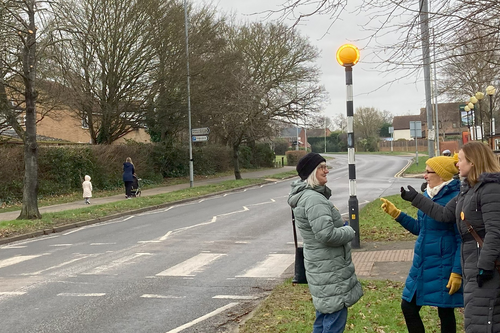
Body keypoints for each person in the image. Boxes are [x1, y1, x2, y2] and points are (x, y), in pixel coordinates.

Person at [400, 141, 500, 333]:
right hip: (471, 266)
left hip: (484, 268)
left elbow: (495, 232)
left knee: (485, 322)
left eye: (460, 160)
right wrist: (415, 198)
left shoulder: (490, 189)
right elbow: (444, 215)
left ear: (473, 162)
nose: (457, 164)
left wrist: (484, 266)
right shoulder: (468, 190)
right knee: (474, 321)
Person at [380, 155, 463, 333]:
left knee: (445, 313)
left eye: (428, 172)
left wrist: (457, 271)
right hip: (422, 264)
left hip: (444, 266)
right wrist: (397, 214)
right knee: (408, 307)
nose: (424, 176)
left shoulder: (455, 199)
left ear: (441, 175)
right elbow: (421, 228)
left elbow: (461, 239)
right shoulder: (428, 195)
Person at [287, 152, 363, 333]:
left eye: (326, 166)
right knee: (334, 318)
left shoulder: (308, 196)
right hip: (329, 269)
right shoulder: (313, 199)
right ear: (312, 172)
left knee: (324, 316)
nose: (326, 171)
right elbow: (326, 235)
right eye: (322, 167)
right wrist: (349, 231)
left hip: (323, 266)